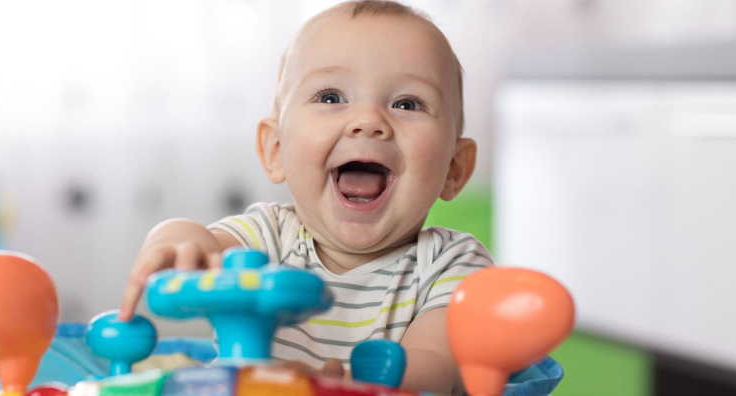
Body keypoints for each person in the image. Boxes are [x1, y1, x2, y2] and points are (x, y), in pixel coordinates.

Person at [118, 1, 492, 394]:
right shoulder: (266, 237)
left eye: (407, 104)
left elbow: (434, 366)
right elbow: (203, 246)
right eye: (331, 97)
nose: (368, 121)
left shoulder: (452, 264)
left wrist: (340, 387)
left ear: (453, 168)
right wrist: (174, 241)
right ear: (276, 149)